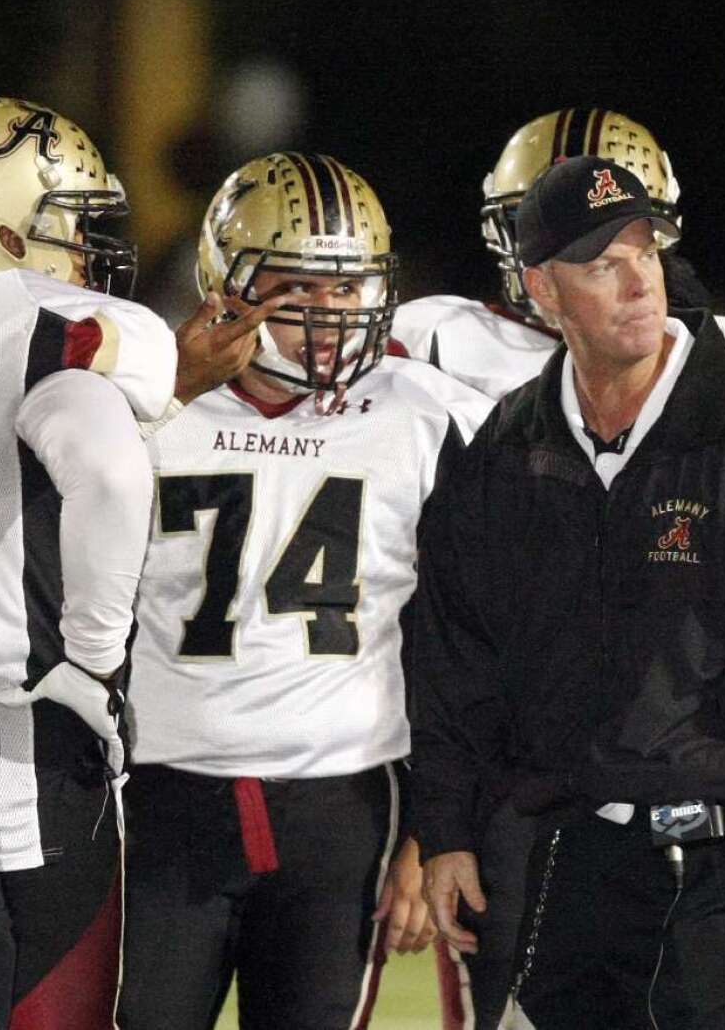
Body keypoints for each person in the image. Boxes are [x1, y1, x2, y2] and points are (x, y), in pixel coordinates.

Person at [412, 155, 725, 1030]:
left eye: (645, 252)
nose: (638, 281)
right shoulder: (509, 445)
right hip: (568, 841)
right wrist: (448, 825)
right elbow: (459, 652)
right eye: (603, 264)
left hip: (722, 847)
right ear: (541, 287)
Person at [397, 108, 725, 1030]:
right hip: (514, 768)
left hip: (679, 770)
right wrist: (432, 816)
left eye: (630, 246)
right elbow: (442, 613)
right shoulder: (436, 344)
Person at [115, 152, 493, 1030]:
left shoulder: (429, 413)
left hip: (345, 801)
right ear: (228, 283)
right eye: (297, 287)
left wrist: (430, 827)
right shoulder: (140, 403)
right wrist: (162, 390)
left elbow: (470, 636)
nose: (330, 313)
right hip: (163, 795)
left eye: (349, 287)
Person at [0, 96, 267, 1030]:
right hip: (26, 748)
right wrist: (94, 659)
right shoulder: (48, 322)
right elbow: (105, 466)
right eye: (71, 225)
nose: (87, 249)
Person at [392, 107, 725, 401]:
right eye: (543, 227)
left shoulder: (719, 345)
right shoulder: (431, 335)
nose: (574, 254)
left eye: (612, 236)